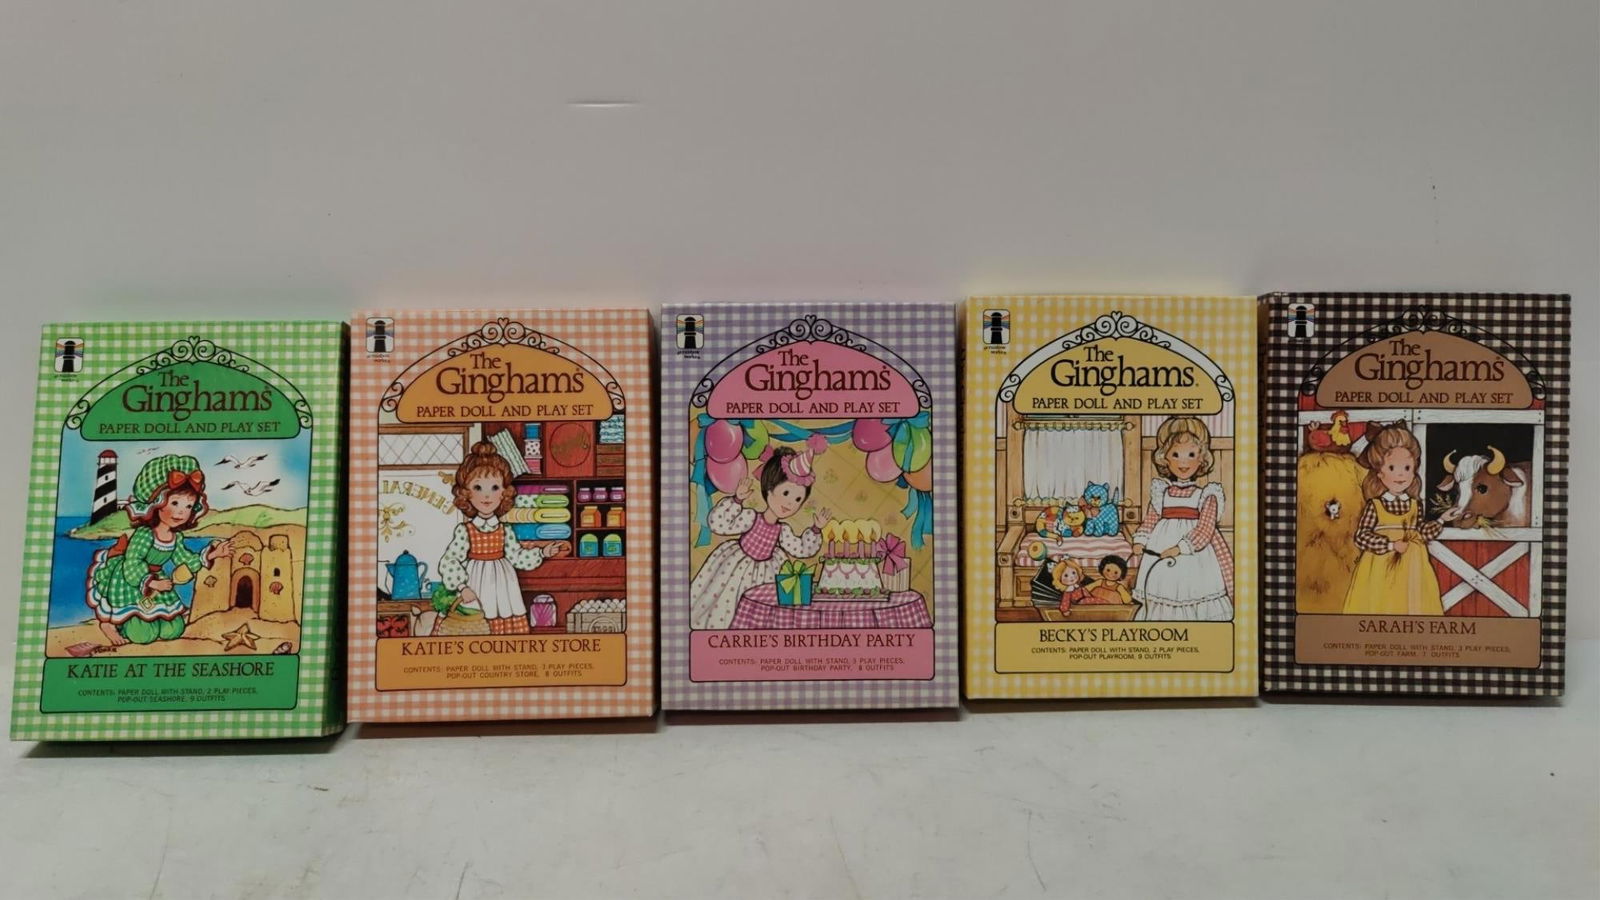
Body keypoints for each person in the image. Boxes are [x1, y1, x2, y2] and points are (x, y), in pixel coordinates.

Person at [86, 454, 235, 645]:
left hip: (159, 580)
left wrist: (214, 553)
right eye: (175, 503)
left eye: (189, 506)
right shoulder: (145, 534)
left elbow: (185, 559)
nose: (181, 511)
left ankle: (147, 620)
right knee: (143, 635)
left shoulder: (176, 537)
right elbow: (133, 561)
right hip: (132, 580)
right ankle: (110, 624)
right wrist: (152, 583)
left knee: (174, 630)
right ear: (156, 504)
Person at [690, 447, 829, 629]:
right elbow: (719, 524)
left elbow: (801, 549)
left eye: (797, 500)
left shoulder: (783, 531)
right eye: (786, 493)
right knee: (727, 602)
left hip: (768, 572)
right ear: (769, 490)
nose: (789, 503)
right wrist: (737, 500)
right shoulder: (751, 518)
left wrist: (816, 529)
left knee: (764, 612)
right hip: (737, 567)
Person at [437, 442, 549, 634]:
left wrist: (542, 552)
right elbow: (449, 560)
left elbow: (517, 556)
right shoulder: (466, 530)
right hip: (474, 583)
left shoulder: (505, 530)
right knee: (473, 626)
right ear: (466, 493)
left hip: (503, 587)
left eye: (495, 487)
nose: (487, 495)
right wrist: (462, 587)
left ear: (504, 493)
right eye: (478, 487)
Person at [1131, 416, 1234, 622]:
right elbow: (1150, 520)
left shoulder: (1207, 495)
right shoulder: (1161, 492)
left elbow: (1204, 530)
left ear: (1201, 458)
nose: (1183, 462)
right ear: (1165, 459)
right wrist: (1140, 541)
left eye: (1191, 454)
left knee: (1193, 591)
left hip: (1194, 555)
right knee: (1163, 591)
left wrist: (1180, 548)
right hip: (1160, 550)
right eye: (1176, 455)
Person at [1342, 423, 1443, 615]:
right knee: (1381, 603)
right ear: (1380, 473)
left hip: (1413, 566)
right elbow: (1361, 536)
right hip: (1380, 566)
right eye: (1392, 467)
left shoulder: (1415, 505)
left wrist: (1441, 520)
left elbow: (1421, 533)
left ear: (1414, 470)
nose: (1400, 474)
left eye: (1407, 467)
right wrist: (1390, 545)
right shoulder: (1376, 505)